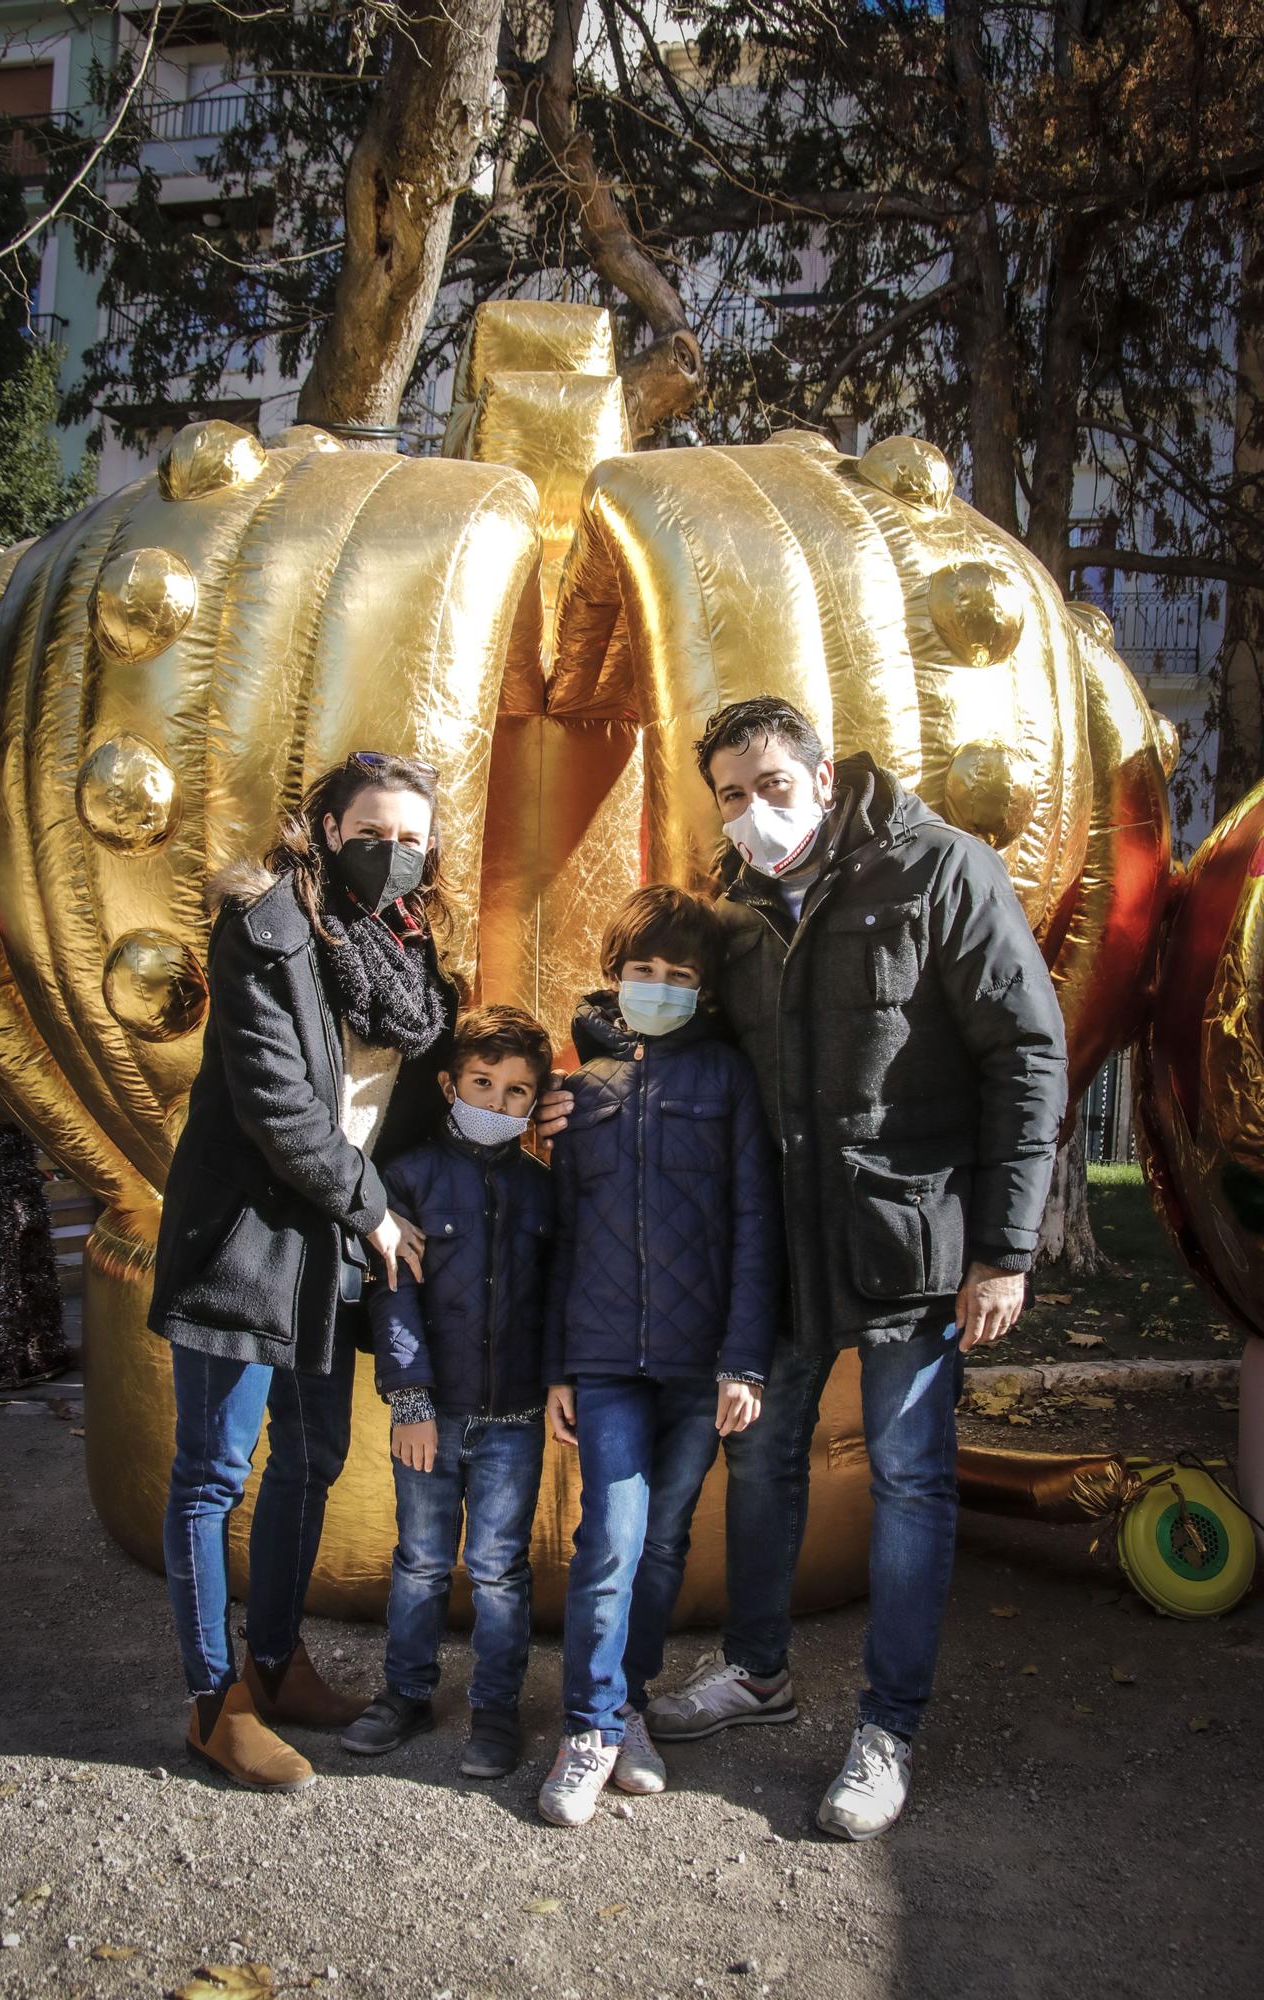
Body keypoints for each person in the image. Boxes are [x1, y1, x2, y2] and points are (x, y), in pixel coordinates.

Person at [539, 697, 1069, 1840]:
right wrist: (587, 1063)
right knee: (766, 1462)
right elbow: (671, 1021)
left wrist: (1003, 1247)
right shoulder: (736, 916)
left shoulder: (940, 871)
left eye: (771, 782)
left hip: (909, 1246)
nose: (753, 809)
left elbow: (1025, 1052)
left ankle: (886, 1726)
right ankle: (760, 1674)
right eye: (730, 792)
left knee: (911, 1480)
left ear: (824, 775)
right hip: (778, 1249)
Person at [150, 751, 457, 1793]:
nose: (396, 851)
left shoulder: (403, 950)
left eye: (415, 836)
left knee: (311, 1455)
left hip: (328, 1248)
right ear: (326, 827)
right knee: (211, 1473)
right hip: (244, 1238)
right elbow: (278, 1105)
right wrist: (373, 1210)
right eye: (376, 829)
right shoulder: (265, 928)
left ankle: (275, 1664)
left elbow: (401, 1101)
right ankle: (213, 1700)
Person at [536, 885, 778, 1829]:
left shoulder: (728, 1081)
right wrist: (557, 1363)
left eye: (679, 976)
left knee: (665, 1541)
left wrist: (744, 1361)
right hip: (601, 1362)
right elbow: (560, 1237)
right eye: (643, 971)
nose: (658, 987)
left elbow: (755, 1224)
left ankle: (631, 1699)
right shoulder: (580, 1090)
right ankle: (588, 1726)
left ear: (704, 989)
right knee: (611, 1539)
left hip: (697, 1362)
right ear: (616, 974)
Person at [342, 1004, 556, 1781]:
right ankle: (405, 1694)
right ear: (448, 1084)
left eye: (516, 1093)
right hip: (432, 1414)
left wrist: (556, 1382)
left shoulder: (541, 1191)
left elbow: (555, 1296)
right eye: (482, 1083)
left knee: (499, 1570)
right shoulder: (408, 1179)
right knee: (422, 1561)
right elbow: (394, 1295)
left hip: (515, 1418)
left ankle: (496, 1710)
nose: (497, 1103)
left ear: (535, 1104)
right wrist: (411, 1400)